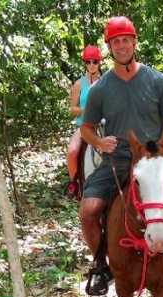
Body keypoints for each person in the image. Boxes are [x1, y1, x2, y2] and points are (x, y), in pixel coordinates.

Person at [78, 15, 163, 296]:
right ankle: (101, 264)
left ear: (134, 42)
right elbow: (87, 129)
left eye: (126, 40)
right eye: (116, 42)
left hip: (155, 154)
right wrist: (100, 143)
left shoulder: (156, 80)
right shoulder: (101, 88)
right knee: (89, 210)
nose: (122, 46)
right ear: (109, 47)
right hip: (120, 156)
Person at [64, 45, 103, 198]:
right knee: (72, 151)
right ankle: (74, 183)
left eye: (95, 61)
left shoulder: (106, 81)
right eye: (88, 62)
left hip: (103, 124)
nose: (92, 65)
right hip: (84, 125)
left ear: (99, 62)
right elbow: (72, 109)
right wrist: (85, 110)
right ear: (85, 63)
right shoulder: (78, 84)